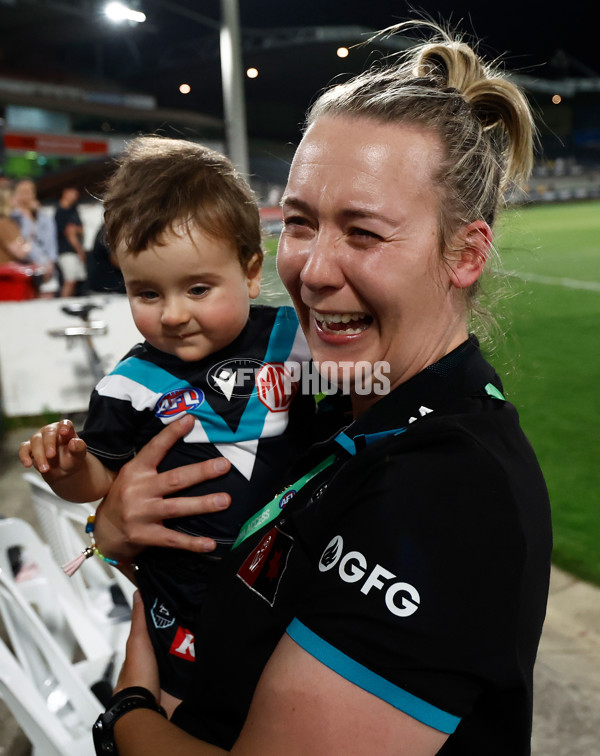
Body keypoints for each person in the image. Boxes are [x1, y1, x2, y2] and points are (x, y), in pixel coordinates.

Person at [26, 22, 553, 755]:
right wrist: (113, 531)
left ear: (465, 254)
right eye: (300, 223)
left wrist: (127, 713)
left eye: (363, 232)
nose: (311, 269)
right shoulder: (336, 402)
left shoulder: (448, 488)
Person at [19, 136, 321, 708]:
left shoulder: (296, 342)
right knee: (187, 708)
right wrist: (68, 470)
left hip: (291, 584)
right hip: (182, 596)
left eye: (198, 288)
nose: (174, 314)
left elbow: (367, 395)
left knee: (287, 708)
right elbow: (102, 480)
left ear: (251, 271)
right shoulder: (130, 382)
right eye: (147, 292)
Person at [10, 178, 59, 297]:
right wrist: (26, 216)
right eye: (24, 192)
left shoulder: (41, 215)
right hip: (24, 265)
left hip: (44, 263)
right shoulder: (14, 216)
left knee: (47, 296)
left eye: (31, 191)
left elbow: (49, 238)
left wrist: (51, 262)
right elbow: (23, 237)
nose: (29, 195)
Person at [54, 185, 87, 297]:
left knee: (76, 280)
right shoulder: (61, 212)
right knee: (70, 280)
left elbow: (80, 229)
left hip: (74, 251)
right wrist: (79, 250)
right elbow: (70, 232)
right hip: (66, 251)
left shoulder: (73, 209)